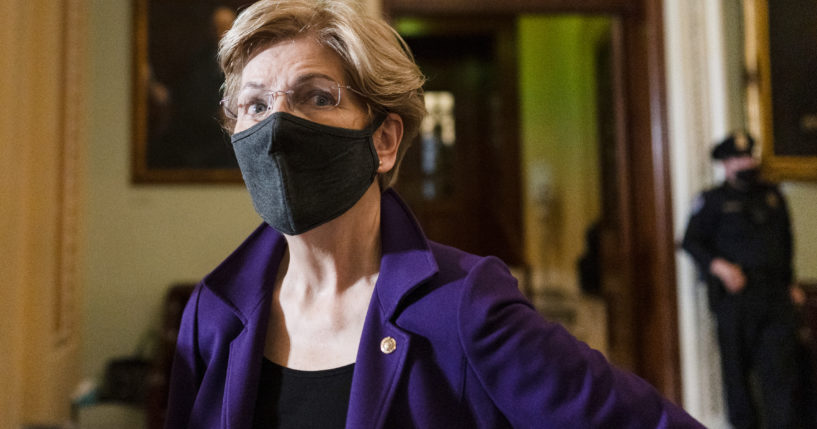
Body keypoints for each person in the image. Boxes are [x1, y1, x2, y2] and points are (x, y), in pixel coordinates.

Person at [165, 0, 704, 427]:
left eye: (318, 97)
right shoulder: (213, 313)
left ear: (383, 141)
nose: (277, 126)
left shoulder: (465, 306)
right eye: (256, 105)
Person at [682, 132, 806, 429]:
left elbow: (785, 244)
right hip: (736, 301)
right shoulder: (712, 201)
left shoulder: (772, 196)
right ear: (726, 164)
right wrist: (721, 267)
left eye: (749, 156)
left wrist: (790, 283)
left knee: (781, 375)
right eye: (738, 158)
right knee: (737, 380)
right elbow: (691, 241)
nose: (746, 163)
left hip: (775, 296)